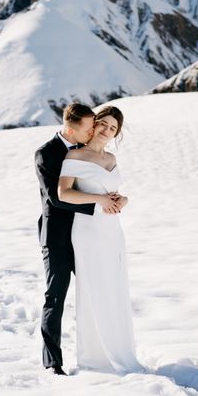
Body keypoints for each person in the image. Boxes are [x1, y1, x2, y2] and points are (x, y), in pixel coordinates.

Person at [34, 103, 122, 375]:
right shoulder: (47, 154)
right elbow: (56, 198)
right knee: (56, 296)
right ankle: (53, 362)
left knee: (100, 291)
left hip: (89, 234)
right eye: (90, 126)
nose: (95, 129)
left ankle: (104, 352)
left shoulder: (87, 151)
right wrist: (98, 204)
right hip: (59, 237)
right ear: (72, 129)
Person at [58, 105, 142, 373]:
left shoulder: (112, 159)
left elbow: (114, 192)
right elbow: (64, 194)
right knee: (95, 288)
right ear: (94, 123)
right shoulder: (75, 156)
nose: (107, 130)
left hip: (111, 230)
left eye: (113, 128)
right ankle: (95, 356)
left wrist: (123, 199)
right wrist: (99, 200)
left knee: (114, 286)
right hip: (88, 229)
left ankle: (120, 348)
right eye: (103, 123)